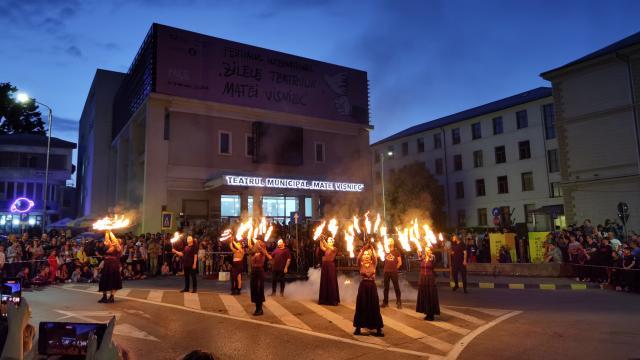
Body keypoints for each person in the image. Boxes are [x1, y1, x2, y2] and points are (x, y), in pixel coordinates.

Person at [353, 245, 384, 337]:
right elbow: (358, 258)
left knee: (374, 306)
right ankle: (358, 328)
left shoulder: (373, 263)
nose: (366, 256)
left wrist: (372, 248)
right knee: (361, 306)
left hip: (371, 287)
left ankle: (378, 328)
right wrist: (362, 250)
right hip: (363, 287)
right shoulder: (360, 264)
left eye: (367, 255)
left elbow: (374, 257)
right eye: (364, 255)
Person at [98, 230, 123, 303]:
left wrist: (110, 232)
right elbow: (106, 240)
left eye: (118, 240)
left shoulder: (118, 248)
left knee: (113, 282)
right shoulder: (109, 246)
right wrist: (107, 231)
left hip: (113, 267)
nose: (115, 241)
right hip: (106, 266)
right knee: (103, 281)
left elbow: (114, 240)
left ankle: (111, 297)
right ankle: (104, 296)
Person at [416, 246, 440, 321]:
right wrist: (419, 253)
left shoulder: (432, 257)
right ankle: (426, 313)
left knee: (430, 295)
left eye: (428, 250)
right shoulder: (423, 258)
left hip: (430, 278)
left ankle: (431, 314)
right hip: (423, 278)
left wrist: (429, 256)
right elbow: (419, 259)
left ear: (431, 251)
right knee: (424, 295)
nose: (427, 251)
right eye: (426, 250)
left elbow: (433, 261)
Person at [250, 239, 272, 316]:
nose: (257, 243)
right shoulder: (254, 252)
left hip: (259, 271)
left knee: (259, 289)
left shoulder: (263, 252)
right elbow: (250, 244)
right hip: (253, 271)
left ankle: (260, 309)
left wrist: (259, 244)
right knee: (254, 289)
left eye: (259, 242)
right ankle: (257, 308)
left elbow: (264, 251)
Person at [318, 236, 340, 305]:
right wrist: (320, 240)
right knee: (325, 281)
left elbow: (327, 246)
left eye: (330, 241)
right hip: (325, 266)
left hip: (330, 266)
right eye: (328, 241)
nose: (329, 242)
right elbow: (322, 247)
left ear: (333, 242)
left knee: (331, 281)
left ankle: (332, 300)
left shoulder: (334, 249)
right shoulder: (327, 249)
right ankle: (324, 299)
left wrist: (323, 239)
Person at [381, 239, 402, 309]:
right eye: (388, 241)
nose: (389, 243)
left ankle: (399, 302)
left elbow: (400, 262)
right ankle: (385, 302)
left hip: (394, 272)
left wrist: (395, 268)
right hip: (386, 271)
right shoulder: (385, 251)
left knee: (396, 287)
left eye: (390, 241)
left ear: (393, 243)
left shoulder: (396, 252)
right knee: (386, 288)